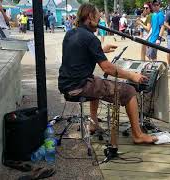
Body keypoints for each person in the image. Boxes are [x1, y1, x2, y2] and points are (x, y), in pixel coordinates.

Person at [58, 3, 157, 144]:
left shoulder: (70, 34)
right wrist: (132, 75)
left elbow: (79, 52)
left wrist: (100, 50)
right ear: (90, 17)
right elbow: (108, 69)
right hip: (79, 86)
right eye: (98, 18)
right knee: (129, 91)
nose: (99, 21)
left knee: (96, 81)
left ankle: (93, 123)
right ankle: (138, 135)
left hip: (65, 85)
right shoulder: (90, 38)